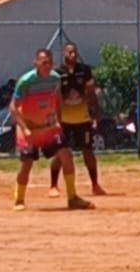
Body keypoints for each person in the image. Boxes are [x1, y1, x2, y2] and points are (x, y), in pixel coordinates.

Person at [11, 48, 93, 211]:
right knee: (26, 164)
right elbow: (13, 107)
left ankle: (72, 197)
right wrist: (24, 128)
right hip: (30, 130)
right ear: (36, 63)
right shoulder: (26, 81)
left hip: (49, 128)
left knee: (66, 155)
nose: (47, 66)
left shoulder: (55, 79)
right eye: (44, 62)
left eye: (50, 62)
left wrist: (59, 122)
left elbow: (57, 100)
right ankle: (19, 199)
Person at [49, 42, 108, 197]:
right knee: (61, 153)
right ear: (63, 54)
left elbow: (90, 92)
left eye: (74, 52)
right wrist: (55, 119)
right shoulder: (57, 73)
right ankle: (53, 185)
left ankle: (95, 185)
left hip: (82, 119)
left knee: (88, 151)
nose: (72, 55)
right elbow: (53, 98)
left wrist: (96, 111)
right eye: (69, 52)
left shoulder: (85, 71)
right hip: (64, 121)